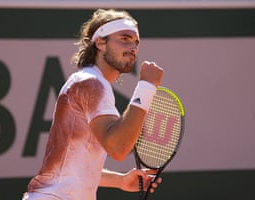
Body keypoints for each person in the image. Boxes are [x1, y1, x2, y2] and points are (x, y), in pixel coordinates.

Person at [22, 8, 164, 200]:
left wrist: (120, 181)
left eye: (136, 42)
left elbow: (73, 168)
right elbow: (119, 147)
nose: (133, 47)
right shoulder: (91, 83)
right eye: (124, 38)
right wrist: (147, 87)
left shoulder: (88, 81)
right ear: (100, 43)